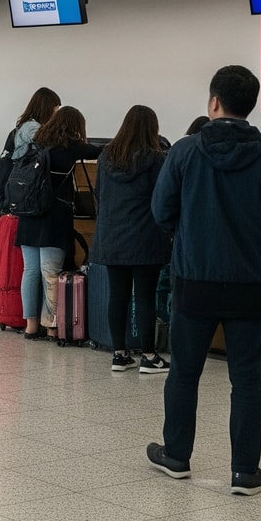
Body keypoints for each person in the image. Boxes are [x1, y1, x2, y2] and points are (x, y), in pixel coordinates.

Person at [146, 66, 261, 496]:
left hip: (194, 279)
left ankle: (176, 456)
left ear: (214, 102)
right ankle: (245, 472)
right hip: (250, 286)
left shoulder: (186, 152)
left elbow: (161, 211)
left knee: (184, 373)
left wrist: (188, 240)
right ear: (252, 106)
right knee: (246, 380)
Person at [92, 104, 171, 373]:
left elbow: (99, 194)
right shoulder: (156, 159)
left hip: (112, 237)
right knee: (145, 297)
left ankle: (119, 354)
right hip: (145, 237)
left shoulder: (105, 157)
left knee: (118, 295)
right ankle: (149, 356)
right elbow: (162, 200)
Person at [15, 106, 98, 330]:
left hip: (28, 214)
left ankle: (31, 326)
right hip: (54, 215)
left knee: (30, 271)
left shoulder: (36, 143)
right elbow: (101, 152)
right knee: (50, 271)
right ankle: (52, 325)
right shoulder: (71, 147)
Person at [0, 87, 60, 212]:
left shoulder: (26, 126)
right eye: (55, 110)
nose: (56, 115)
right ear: (47, 109)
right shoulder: (32, 128)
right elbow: (48, 146)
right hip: (26, 187)